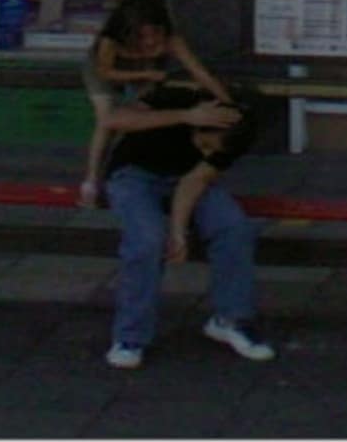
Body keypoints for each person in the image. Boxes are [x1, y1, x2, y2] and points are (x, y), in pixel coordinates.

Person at [102, 85, 276, 368]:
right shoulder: (180, 96)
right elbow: (115, 119)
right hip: (135, 174)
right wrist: (184, 116)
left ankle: (231, 319)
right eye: (204, 144)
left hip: (185, 179)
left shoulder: (239, 133)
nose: (203, 151)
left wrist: (179, 232)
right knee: (147, 240)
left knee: (234, 227)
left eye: (211, 151)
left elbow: (195, 180)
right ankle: (130, 336)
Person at [79, 0, 232, 207]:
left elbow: (200, 73)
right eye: (142, 36)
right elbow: (105, 72)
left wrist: (227, 102)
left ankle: (132, 162)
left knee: (143, 113)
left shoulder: (171, 40)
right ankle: (92, 178)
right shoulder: (110, 40)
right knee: (106, 118)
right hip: (105, 70)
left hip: (144, 70)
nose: (150, 41)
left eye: (156, 34)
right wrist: (144, 76)